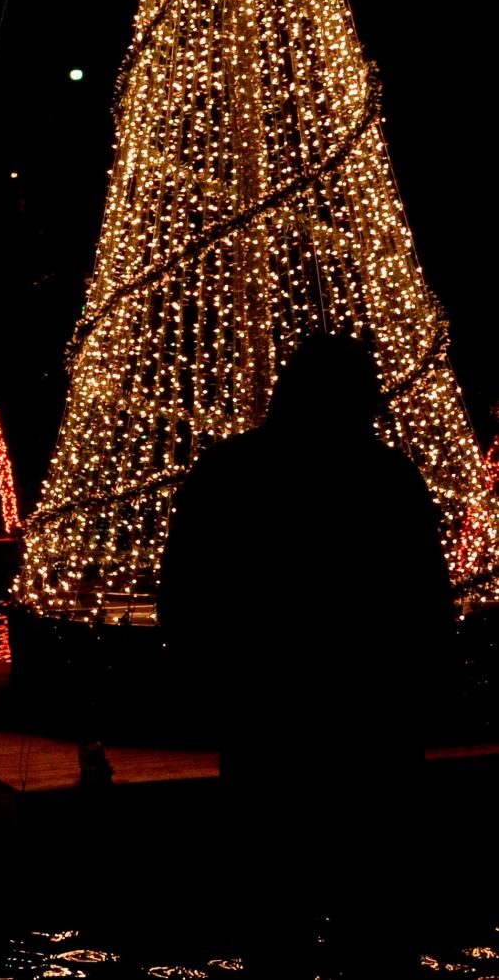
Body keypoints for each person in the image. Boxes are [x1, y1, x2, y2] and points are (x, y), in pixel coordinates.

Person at [158, 334, 455, 978]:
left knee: (273, 914)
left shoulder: (228, 472)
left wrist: (213, 684)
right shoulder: (388, 478)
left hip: (267, 719)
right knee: (374, 917)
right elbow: (428, 603)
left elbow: (183, 594)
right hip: (370, 724)